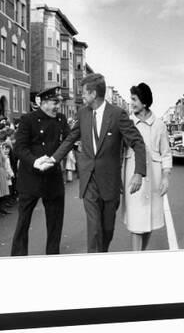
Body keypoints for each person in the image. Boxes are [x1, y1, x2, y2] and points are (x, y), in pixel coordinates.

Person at [47, 73, 146, 253]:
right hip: (89, 179)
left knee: (107, 230)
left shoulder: (117, 115)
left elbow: (138, 142)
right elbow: (71, 138)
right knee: (94, 229)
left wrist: (139, 172)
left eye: (84, 92)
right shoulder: (83, 113)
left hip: (109, 183)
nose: (82, 95)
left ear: (93, 94)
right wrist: (53, 159)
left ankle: (103, 253)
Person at [11, 86, 71, 256]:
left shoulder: (61, 119)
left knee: (55, 224)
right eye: (54, 103)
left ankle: (52, 256)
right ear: (43, 103)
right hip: (31, 178)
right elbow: (19, 148)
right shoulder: (28, 119)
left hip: (53, 178)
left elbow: (68, 141)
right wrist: (35, 161)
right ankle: (18, 258)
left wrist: (57, 158)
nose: (58, 106)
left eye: (58, 103)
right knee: (23, 223)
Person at [122, 83, 172, 251]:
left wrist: (165, 177)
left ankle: (141, 253)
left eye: (134, 99)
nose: (131, 102)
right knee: (136, 222)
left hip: (155, 178)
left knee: (149, 222)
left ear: (144, 102)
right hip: (133, 176)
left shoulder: (159, 125)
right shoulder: (127, 123)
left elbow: (165, 154)